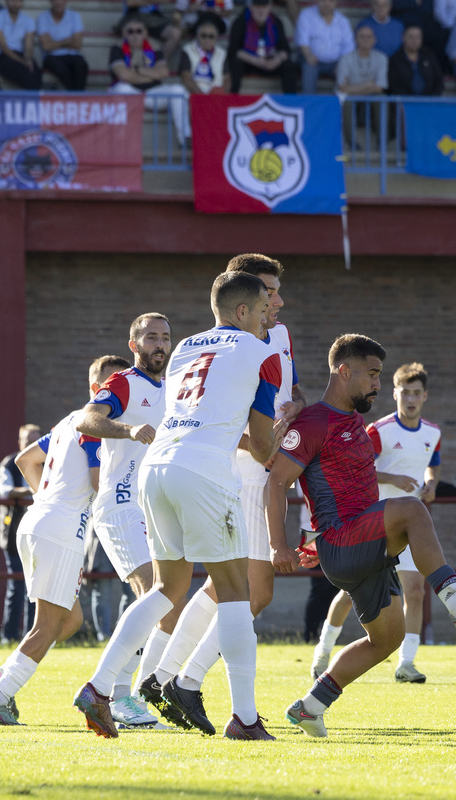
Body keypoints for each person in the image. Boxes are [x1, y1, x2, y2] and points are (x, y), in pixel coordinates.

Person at [73, 270, 282, 741]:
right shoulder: (264, 354)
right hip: (204, 472)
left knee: (167, 589)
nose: (271, 315)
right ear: (243, 311)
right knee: (235, 590)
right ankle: (245, 718)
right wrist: (285, 440)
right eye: (265, 308)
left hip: (158, 466)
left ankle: (99, 686)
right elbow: (266, 448)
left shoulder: (186, 346)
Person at [271, 334, 456, 738]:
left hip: (360, 544)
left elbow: (329, 486)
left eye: (380, 375)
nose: (378, 384)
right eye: (372, 374)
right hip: (345, 540)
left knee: (388, 638)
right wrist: (281, 544)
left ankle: (311, 706)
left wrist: (309, 538)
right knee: (413, 509)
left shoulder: (355, 425)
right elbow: (277, 483)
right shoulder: (313, 422)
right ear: (344, 372)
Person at [139, 254, 306, 734]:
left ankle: (167, 677)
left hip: (243, 462)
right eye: (269, 291)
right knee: (248, 591)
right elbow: (218, 415)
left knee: (223, 587)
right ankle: (188, 685)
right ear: (246, 302)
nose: (277, 300)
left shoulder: (276, 334)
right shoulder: (245, 341)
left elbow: (289, 392)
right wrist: (266, 449)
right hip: (242, 466)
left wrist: (295, 405)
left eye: (276, 291)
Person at [0, 358, 125, 726]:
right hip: (62, 530)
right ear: (101, 388)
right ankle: (0, 698)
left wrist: (46, 500)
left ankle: (8, 672)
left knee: (69, 620)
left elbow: (27, 461)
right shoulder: (97, 425)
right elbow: (96, 482)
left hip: (36, 523)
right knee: (47, 625)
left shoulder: (66, 420)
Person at [310, 361, 442, 684]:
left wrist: (431, 483)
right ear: (395, 394)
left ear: (424, 397)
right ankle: (323, 652)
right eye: (404, 393)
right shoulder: (379, 430)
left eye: (416, 394)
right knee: (347, 594)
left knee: (415, 591)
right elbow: (357, 467)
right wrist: (392, 476)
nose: (410, 399)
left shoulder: (433, 433)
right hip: (374, 521)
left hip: (409, 523)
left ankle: (406, 663)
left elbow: (432, 465)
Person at [75, 313, 173, 730]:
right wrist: (130, 430)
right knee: (152, 588)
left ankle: (134, 690)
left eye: (166, 337)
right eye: (150, 337)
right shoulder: (123, 382)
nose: (159, 344)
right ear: (134, 344)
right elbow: (87, 420)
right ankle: (115, 696)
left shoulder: (172, 388)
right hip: (119, 505)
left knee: (167, 597)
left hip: (155, 507)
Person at [108, 17, 191, 144]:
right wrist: (151, 75)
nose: (135, 35)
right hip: (131, 94)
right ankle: (121, 141)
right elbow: (123, 75)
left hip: (152, 94)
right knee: (121, 88)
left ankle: (185, 138)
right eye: (130, 31)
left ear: (145, 33)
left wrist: (136, 70)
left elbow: (164, 73)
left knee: (178, 90)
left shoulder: (155, 48)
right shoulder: (117, 48)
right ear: (124, 33)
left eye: (139, 31)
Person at [0, 423, 42, 645]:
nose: (31, 445)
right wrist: (33, 490)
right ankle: (9, 636)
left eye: (36, 440)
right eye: (27, 441)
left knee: (37, 587)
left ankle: (31, 636)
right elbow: (3, 491)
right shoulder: (9, 463)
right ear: (20, 443)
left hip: (41, 533)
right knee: (16, 586)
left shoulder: (47, 462)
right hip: (14, 534)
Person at [226, 0, 298, 95]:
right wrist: (255, 61)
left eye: (264, 7)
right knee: (235, 63)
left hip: (270, 62)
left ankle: (291, 102)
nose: (261, 11)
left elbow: (285, 50)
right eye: (257, 7)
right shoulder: (241, 21)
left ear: (270, 6)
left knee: (288, 66)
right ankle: (233, 99)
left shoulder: (276, 21)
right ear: (251, 7)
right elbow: (234, 50)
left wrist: (276, 60)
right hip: (250, 62)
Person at [294, 0, 355, 94]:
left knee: (346, 71)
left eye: (330, 1)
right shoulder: (306, 15)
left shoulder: (343, 21)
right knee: (309, 68)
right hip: (312, 60)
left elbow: (348, 46)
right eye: (323, 0)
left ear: (336, 2)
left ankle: (340, 106)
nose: (326, 4)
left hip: (336, 63)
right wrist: (308, 55)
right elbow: (303, 41)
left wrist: (342, 64)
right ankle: (309, 105)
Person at [0, 0, 42, 90]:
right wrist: (23, 62)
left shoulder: (28, 20)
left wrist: (28, 59)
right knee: (23, 72)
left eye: (18, 1)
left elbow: (28, 46)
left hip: (19, 55)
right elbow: (4, 47)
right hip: (0, 58)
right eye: (12, 1)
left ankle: (33, 99)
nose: (15, 4)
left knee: (35, 71)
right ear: (6, 1)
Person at [37, 0, 88, 91]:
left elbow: (77, 44)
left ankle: (76, 97)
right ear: (50, 1)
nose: (58, 2)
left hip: (73, 55)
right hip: (52, 57)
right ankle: (77, 97)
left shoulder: (74, 16)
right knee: (62, 70)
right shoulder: (43, 17)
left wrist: (54, 42)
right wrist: (66, 41)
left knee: (81, 65)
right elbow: (46, 46)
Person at [387, 24, 442, 96]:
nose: (414, 40)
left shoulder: (428, 56)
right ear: (403, 38)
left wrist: (432, 99)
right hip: (404, 103)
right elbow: (393, 85)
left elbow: (438, 80)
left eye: (417, 37)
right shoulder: (395, 60)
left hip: (429, 103)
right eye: (411, 37)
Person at [177, 17, 228, 94]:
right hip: (193, 93)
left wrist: (221, 96)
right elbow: (185, 76)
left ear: (216, 38)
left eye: (211, 36)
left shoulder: (222, 53)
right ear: (198, 36)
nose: (207, 39)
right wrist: (201, 97)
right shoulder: (187, 50)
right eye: (204, 36)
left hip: (215, 94)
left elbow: (227, 78)